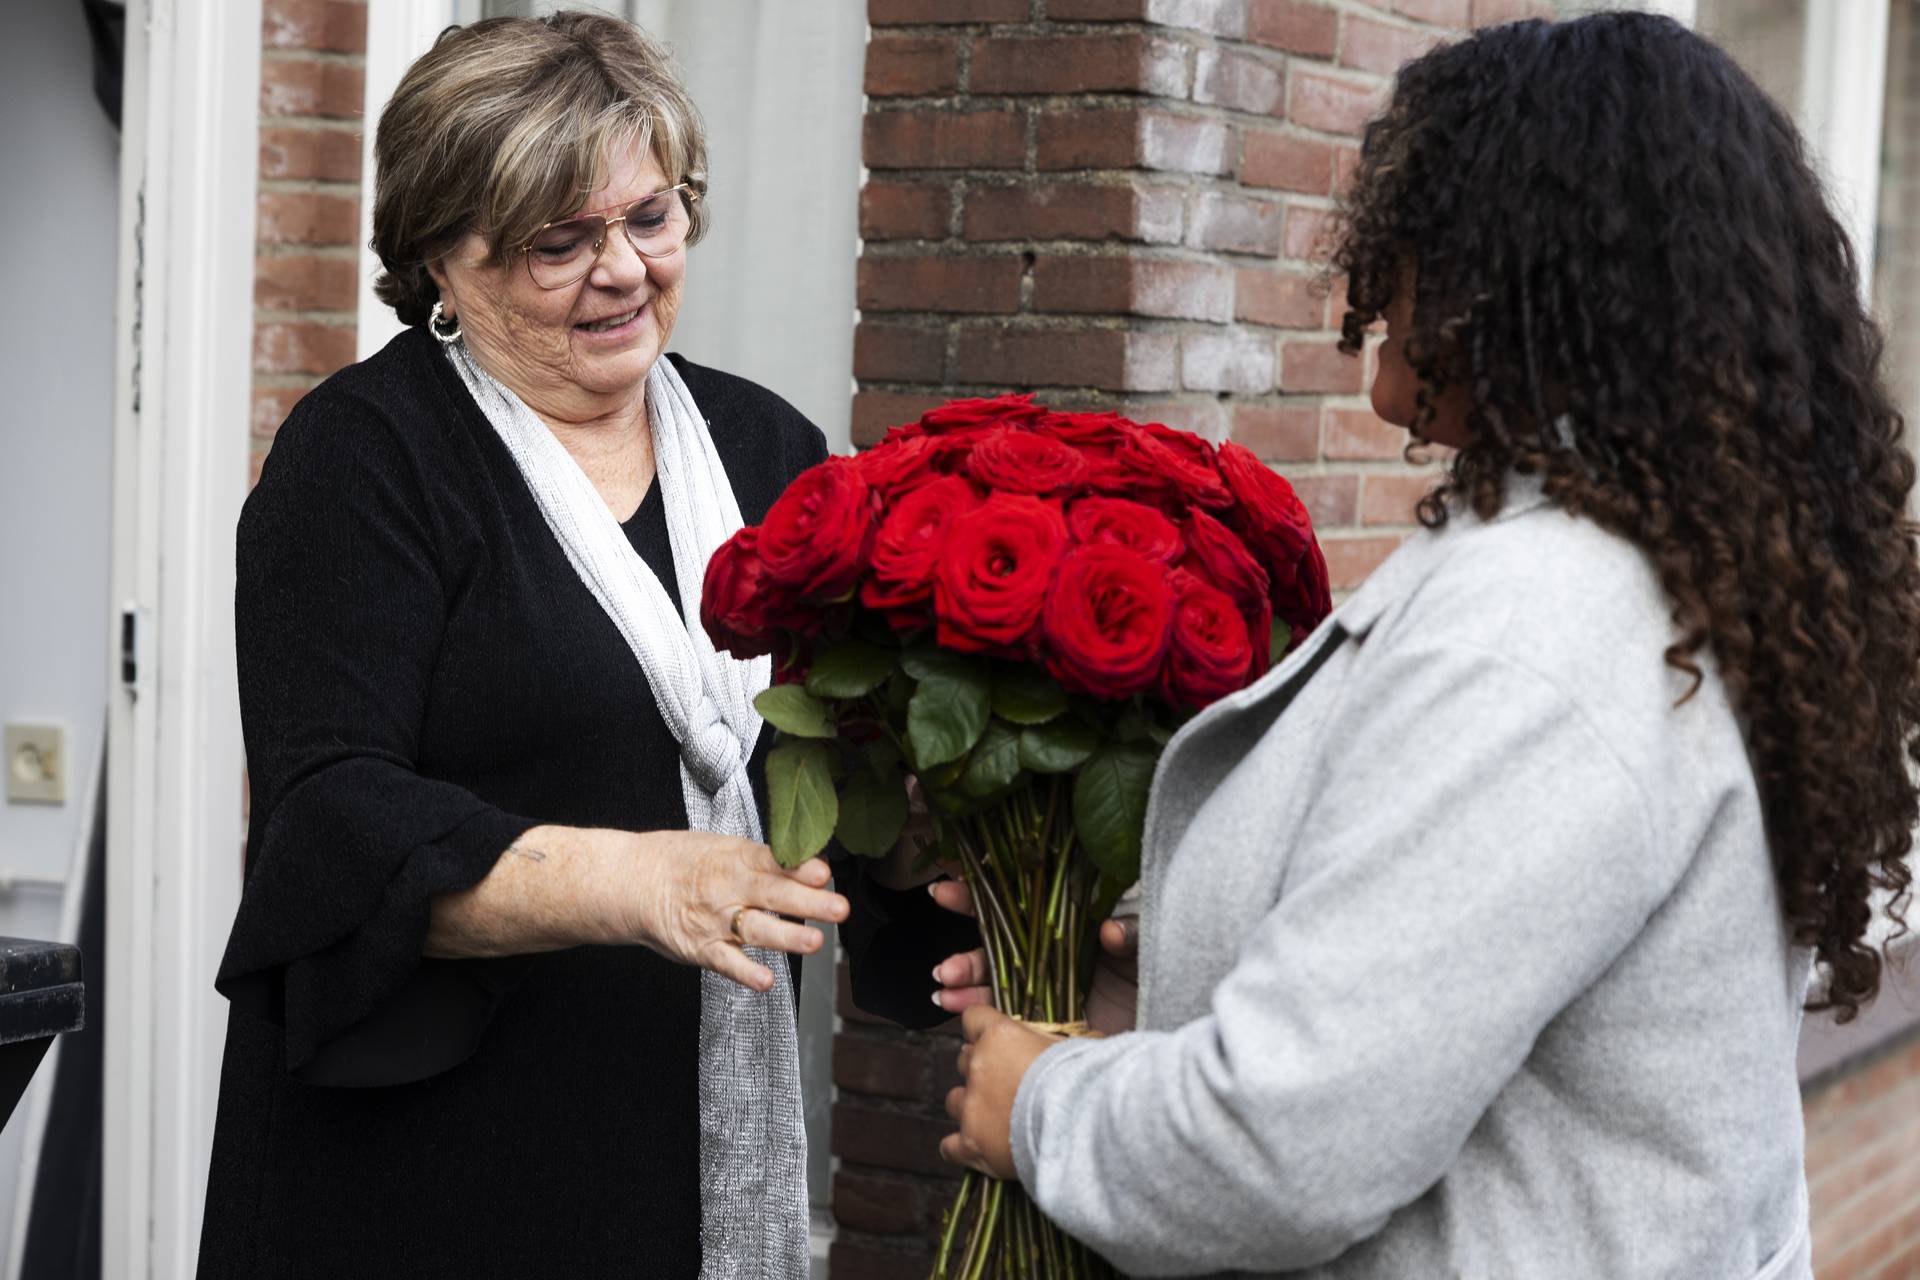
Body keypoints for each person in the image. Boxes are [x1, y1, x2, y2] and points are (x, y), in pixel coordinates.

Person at [937, 12, 1920, 1278]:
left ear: (1517, 267)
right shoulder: (1662, 571)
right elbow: (1480, 1010)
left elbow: (1287, 1146)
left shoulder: (1546, 627)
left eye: (1414, 225)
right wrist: (1167, 1004)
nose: (1379, 273)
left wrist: (1046, 1103)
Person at [198, 13, 963, 1277]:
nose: (622, 269)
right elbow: (331, 824)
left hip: (684, 1159)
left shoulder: (770, 450)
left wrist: (964, 864)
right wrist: (643, 883)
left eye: (650, 219)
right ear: (443, 256)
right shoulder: (366, 459)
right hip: (433, 1180)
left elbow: (849, 761)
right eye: (561, 241)